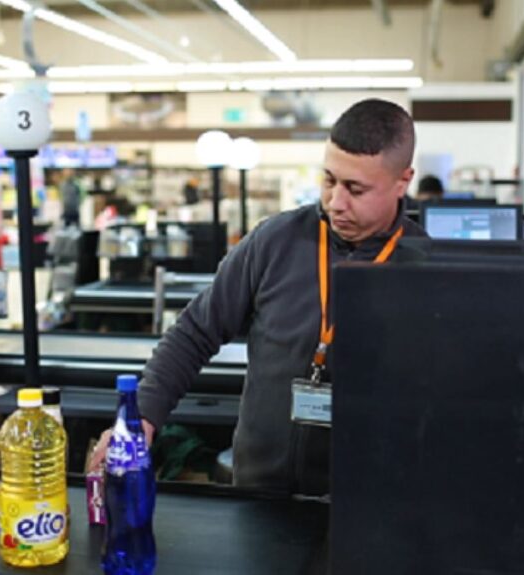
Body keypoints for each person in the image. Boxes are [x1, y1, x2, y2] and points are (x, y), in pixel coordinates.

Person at [89, 99, 428, 495]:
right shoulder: (275, 241)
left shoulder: (426, 267)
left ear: (402, 182)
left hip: (367, 500)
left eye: (356, 189)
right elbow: (195, 331)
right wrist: (142, 416)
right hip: (259, 490)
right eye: (330, 180)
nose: (336, 202)